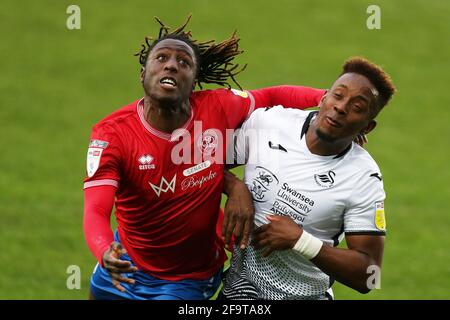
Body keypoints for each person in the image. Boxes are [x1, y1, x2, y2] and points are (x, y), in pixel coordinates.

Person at [83, 16, 326, 300]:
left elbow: (271, 96)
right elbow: (97, 210)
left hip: (187, 279)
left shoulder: (218, 107)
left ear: (194, 81)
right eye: (161, 58)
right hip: (123, 264)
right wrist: (103, 251)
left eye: (184, 62)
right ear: (142, 74)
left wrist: (327, 103)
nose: (171, 65)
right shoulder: (112, 134)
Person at [219, 57, 396, 300]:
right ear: (324, 98)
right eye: (338, 95)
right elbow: (195, 162)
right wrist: (234, 186)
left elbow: (370, 275)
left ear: (367, 127)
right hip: (240, 292)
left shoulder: (364, 178)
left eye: (357, 108)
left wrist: (301, 240)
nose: (341, 107)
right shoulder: (269, 123)